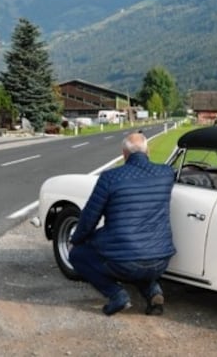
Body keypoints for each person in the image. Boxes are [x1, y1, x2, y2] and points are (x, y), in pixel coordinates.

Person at [69, 132, 176, 316]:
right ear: (148, 151)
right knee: (137, 260)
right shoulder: (166, 174)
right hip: (161, 259)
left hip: (126, 261)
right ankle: (153, 292)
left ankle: (117, 294)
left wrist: (76, 239)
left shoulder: (110, 177)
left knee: (78, 255)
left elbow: (89, 218)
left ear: (124, 154)